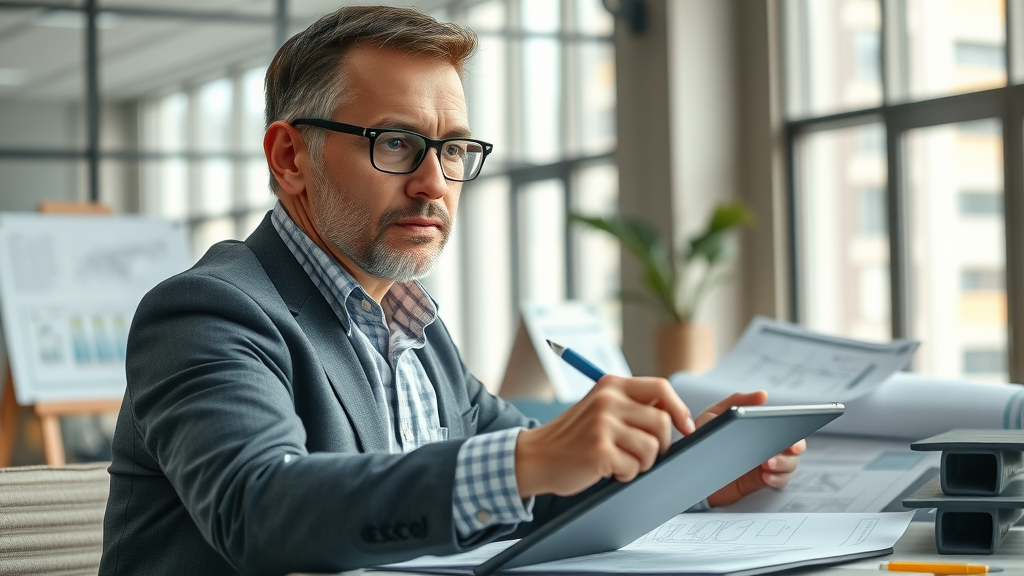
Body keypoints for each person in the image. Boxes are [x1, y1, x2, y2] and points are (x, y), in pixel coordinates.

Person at [98, 6, 804, 576]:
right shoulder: (209, 313)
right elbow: (258, 511)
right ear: (290, 158)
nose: (435, 183)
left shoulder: (412, 325)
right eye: (397, 143)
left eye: (455, 149)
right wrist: (530, 458)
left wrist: (686, 471)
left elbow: (530, 487)